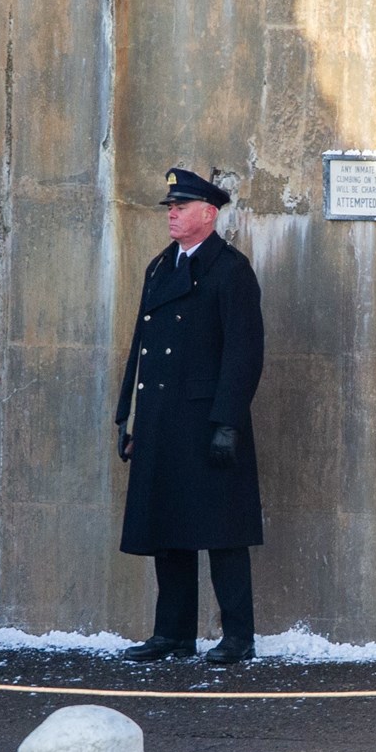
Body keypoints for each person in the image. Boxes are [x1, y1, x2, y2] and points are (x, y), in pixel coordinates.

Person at [114, 167, 265, 665]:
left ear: (209, 214)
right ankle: (173, 633)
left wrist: (227, 423)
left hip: (206, 423)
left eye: (181, 207)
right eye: (170, 208)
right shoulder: (161, 266)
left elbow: (243, 353)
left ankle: (238, 636)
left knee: (223, 535)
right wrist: (129, 419)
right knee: (168, 530)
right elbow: (142, 347)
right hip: (161, 421)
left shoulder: (230, 270)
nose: (172, 214)